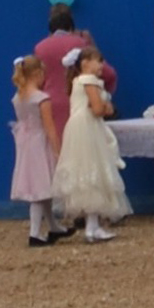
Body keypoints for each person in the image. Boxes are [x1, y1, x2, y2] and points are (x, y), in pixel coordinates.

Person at [52, 37, 127, 242]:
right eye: (98, 61)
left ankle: (92, 226)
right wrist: (107, 107)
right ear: (85, 63)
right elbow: (97, 109)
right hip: (88, 129)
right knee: (95, 169)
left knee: (86, 172)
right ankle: (92, 227)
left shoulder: (76, 81)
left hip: (77, 128)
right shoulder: (89, 81)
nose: (101, 65)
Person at [9, 54, 61, 245]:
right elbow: (49, 127)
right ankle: (35, 233)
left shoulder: (17, 98)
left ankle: (54, 226)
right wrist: (57, 150)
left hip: (25, 144)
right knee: (40, 188)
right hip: (40, 143)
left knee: (41, 186)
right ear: (38, 74)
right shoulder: (41, 98)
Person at [35, 6, 94, 142]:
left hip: (50, 103)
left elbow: (38, 79)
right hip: (78, 101)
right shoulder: (81, 42)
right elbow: (103, 70)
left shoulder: (40, 48)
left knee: (56, 147)